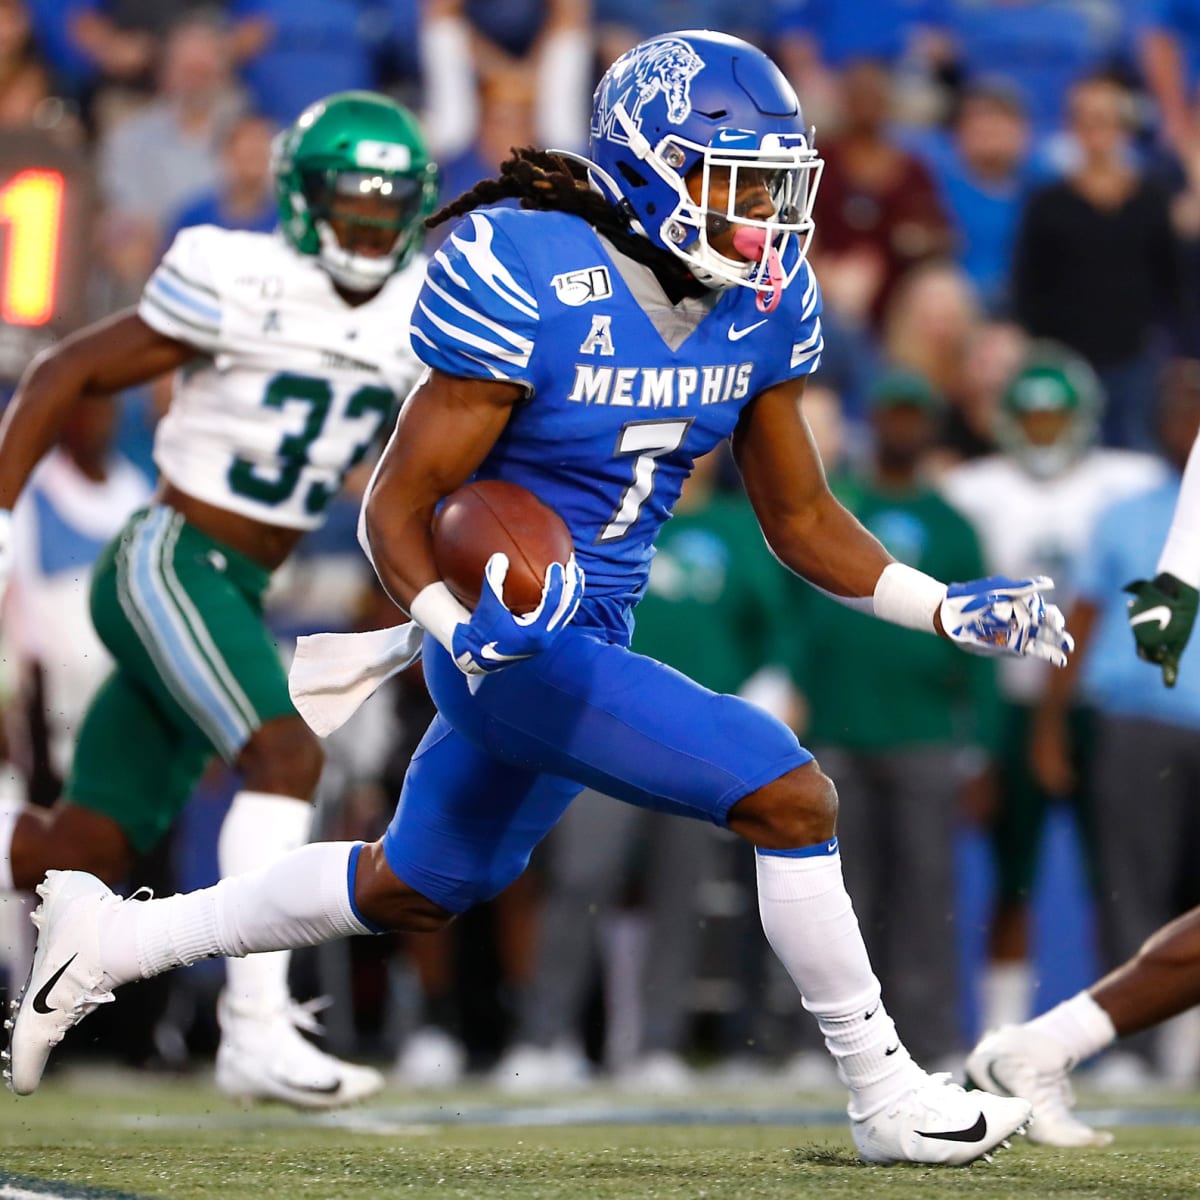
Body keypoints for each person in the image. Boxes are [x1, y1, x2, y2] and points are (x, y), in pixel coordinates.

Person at [5, 31, 1070, 1165]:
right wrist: (461, 630)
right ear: (652, 171)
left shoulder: (761, 300)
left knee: (417, 884)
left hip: (589, 624)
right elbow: (396, 510)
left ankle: (110, 937)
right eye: (738, 185)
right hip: (504, 635)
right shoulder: (533, 268)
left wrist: (944, 606)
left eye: (776, 186)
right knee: (788, 794)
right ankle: (883, 1091)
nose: (765, 218)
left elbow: (800, 517)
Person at [0, 90, 438, 1106]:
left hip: (240, 581)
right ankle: (254, 1025)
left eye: (388, 209)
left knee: (83, 852)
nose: (370, 229)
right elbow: (67, 370)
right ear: (299, 201)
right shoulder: (238, 274)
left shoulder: (421, 311)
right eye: (351, 206)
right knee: (287, 753)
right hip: (168, 557)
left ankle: (122, 960)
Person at [940, 343, 1166, 1039]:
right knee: (1013, 877)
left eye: (1054, 419)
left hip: (1101, 705)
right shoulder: (973, 490)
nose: (1042, 433)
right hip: (1008, 700)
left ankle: (1132, 1037)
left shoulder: (1128, 483)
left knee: (1120, 880)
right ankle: (1002, 1030)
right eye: (1031, 420)